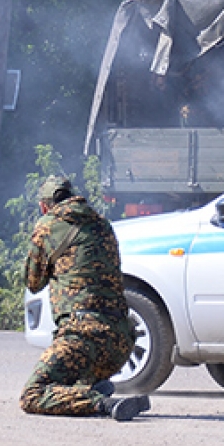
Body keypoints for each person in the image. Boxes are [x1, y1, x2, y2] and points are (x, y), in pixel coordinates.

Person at [20, 176, 150, 421]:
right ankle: (94, 388)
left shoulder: (48, 225)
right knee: (74, 369)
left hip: (82, 336)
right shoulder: (102, 224)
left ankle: (103, 403)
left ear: (44, 206)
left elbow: (33, 282)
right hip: (120, 342)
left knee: (32, 395)